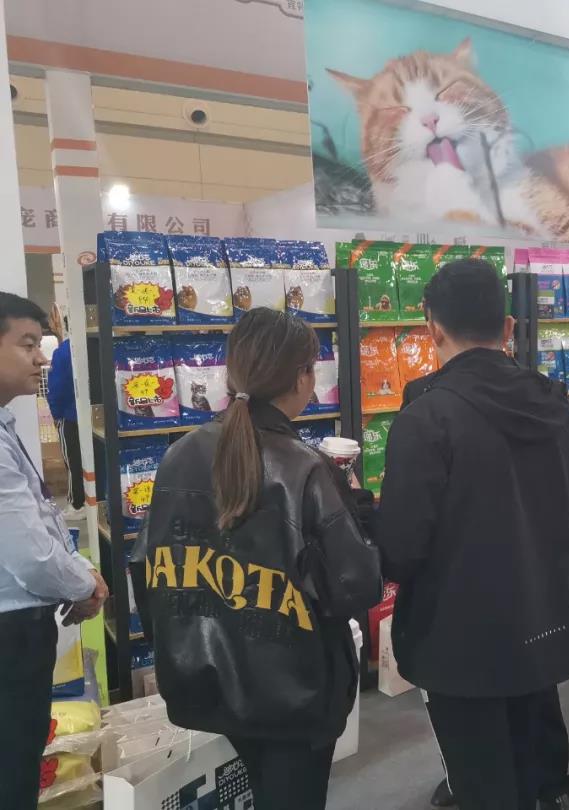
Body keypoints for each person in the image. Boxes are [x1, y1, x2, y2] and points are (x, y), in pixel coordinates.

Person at [140, 309, 381, 810]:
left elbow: (147, 569)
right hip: (296, 691)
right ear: (302, 378)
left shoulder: (178, 455)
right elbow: (356, 586)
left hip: (208, 680)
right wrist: (355, 506)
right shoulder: (307, 468)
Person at [375, 259, 569, 810]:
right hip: (542, 616)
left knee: (482, 777)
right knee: (537, 753)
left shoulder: (426, 417)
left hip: (458, 636)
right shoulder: (559, 406)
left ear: (432, 328)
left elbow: (400, 549)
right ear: (509, 327)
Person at [403, 373, 569, 810]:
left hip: (473, 588)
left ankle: (537, 782)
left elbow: (406, 534)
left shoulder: (426, 406)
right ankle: (533, 782)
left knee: (503, 701)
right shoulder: (551, 400)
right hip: (525, 580)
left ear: (436, 334)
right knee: (523, 692)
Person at [0, 292, 108, 807]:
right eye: (27, 344)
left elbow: (39, 521)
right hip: (11, 635)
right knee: (13, 770)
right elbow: (32, 557)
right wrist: (85, 583)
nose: (41, 357)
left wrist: (78, 569)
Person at [45, 308, 84, 517]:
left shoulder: (63, 352)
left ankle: (77, 504)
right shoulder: (96, 347)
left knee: (73, 461)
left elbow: (56, 388)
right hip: (96, 418)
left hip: (69, 417)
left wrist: (56, 415)